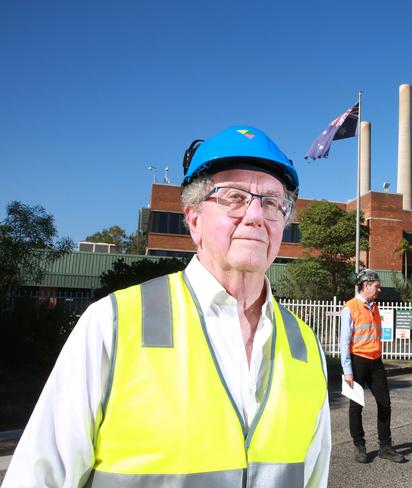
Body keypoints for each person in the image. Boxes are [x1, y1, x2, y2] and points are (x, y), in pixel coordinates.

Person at [4, 126, 331, 487]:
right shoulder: (112, 325)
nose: (255, 215)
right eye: (234, 197)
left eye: (271, 202)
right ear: (194, 221)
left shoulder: (306, 347)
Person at [339, 269, 406, 464]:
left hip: (375, 361)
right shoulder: (349, 307)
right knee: (356, 405)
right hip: (357, 361)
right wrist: (347, 371)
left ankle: (385, 446)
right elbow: (344, 341)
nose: (379, 289)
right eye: (376, 286)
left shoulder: (375, 307)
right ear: (366, 285)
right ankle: (359, 445)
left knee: (384, 402)